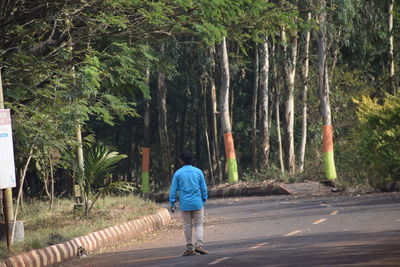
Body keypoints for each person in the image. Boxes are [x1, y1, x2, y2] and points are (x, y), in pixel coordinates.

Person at [169, 151, 208, 256]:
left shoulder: (178, 173)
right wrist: (204, 199)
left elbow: (173, 190)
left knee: (187, 225)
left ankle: (189, 248)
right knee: (199, 224)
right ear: (192, 160)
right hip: (197, 203)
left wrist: (172, 203)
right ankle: (199, 245)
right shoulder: (198, 172)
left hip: (185, 204)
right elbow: (203, 188)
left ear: (181, 161)